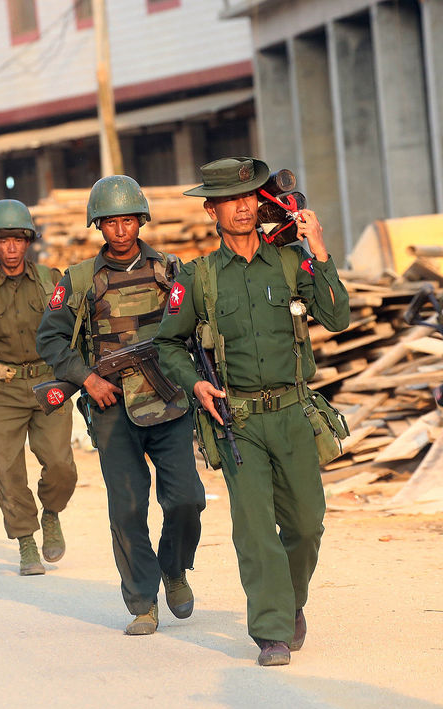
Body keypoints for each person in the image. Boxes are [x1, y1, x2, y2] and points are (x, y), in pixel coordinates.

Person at [156, 157, 351, 666]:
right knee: (256, 530)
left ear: (262, 205)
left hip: (292, 413)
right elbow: (168, 345)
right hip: (236, 421)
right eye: (231, 201)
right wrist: (195, 382)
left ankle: (291, 602)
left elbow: (337, 315)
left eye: (250, 198)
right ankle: (271, 631)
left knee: (307, 525)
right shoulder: (197, 279)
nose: (243, 208)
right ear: (212, 211)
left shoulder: (290, 263)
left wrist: (318, 247)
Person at [37, 176, 204, 633]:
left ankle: (174, 569)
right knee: (128, 509)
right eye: (110, 222)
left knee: (188, 499)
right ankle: (143, 603)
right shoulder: (79, 280)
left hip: (169, 401)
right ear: (99, 226)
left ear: (140, 221)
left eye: (128, 220)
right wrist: (87, 378)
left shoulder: (172, 270)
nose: (121, 230)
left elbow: (196, 324)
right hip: (112, 408)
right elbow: (49, 337)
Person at [0, 199, 77, 575]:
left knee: (60, 465)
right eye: (2, 240)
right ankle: (26, 541)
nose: (11, 247)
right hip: (2, 387)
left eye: (18, 239)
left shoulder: (50, 280)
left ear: (28, 242)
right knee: (8, 469)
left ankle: (52, 513)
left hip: (48, 381)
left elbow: (70, 330)